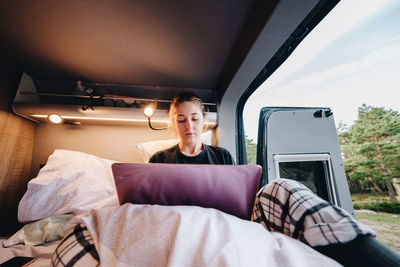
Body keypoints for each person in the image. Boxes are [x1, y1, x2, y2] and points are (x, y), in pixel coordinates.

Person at [150, 92, 400, 266]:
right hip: (184, 223)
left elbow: (239, 201)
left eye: (194, 118)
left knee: (282, 187)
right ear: (173, 123)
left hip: (228, 221)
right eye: (180, 119)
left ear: (203, 121)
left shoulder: (222, 155)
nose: (188, 125)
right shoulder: (159, 160)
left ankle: (357, 248)